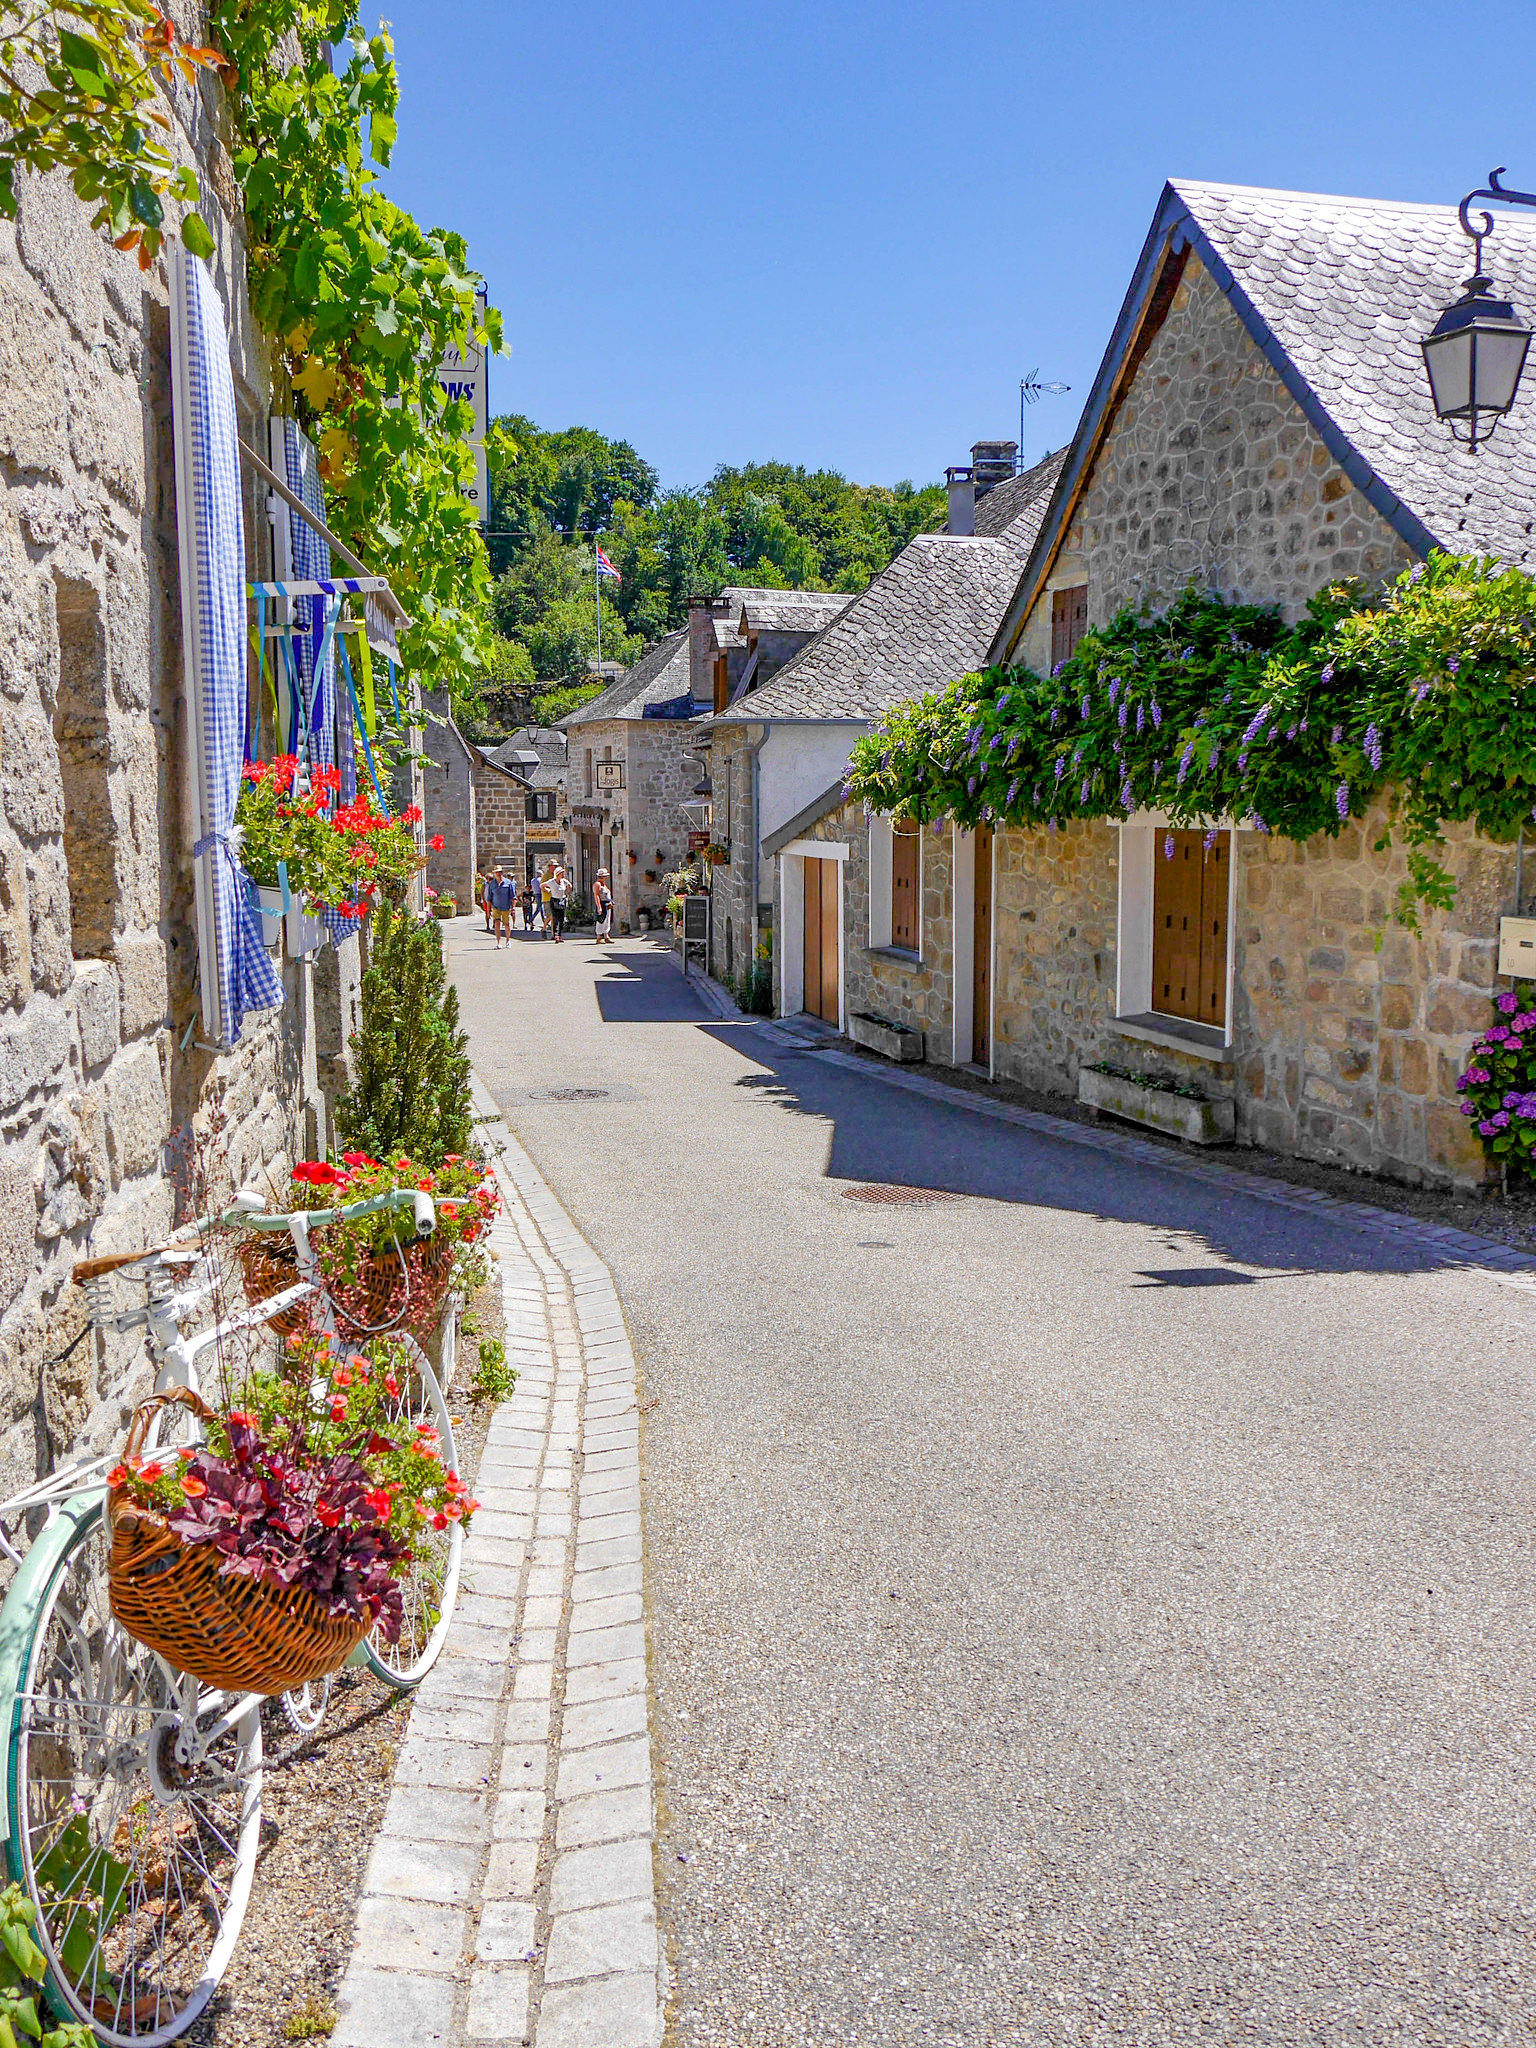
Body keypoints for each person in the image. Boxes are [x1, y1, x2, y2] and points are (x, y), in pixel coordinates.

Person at [487, 864, 516, 946]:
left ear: (502, 872)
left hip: (506, 907)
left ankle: (507, 940)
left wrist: (513, 908)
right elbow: (489, 898)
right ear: (494, 874)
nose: (498, 874)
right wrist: (488, 911)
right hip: (495, 907)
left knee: (506, 924)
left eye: (499, 872)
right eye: (496, 872)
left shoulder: (508, 883)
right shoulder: (492, 884)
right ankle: (498, 942)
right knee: (497, 924)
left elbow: (513, 897)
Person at [548, 864, 569, 942]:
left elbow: (569, 885)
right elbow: (542, 885)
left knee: (562, 919)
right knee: (555, 918)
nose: (563, 875)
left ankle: (559, 935)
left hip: (562, 900)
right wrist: (548, 890)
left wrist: (566, 894)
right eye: (561, 873)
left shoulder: (564, 881)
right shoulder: (552, 881)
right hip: (554, 900)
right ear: (557, 874)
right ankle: (555, 935)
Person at [593, 868, 613, 943]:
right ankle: (599, 936)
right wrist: (599, 907)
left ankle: (606, 935)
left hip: (607, 904)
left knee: (607, 920)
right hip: (602, 903)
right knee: (601, 920)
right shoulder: (597, 884)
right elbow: (597, 895)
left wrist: (610, 902)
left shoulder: (603, 884)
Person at [540, 862, 555, 938]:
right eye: (553, 866)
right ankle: (545, 929)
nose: (555, 867)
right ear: (549, 867)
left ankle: (552, 933)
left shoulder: (555, 875)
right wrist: (549, 889)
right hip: (547, 898)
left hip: (555, 898)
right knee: (550, 916)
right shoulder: (546, 876)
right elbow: (542, 886)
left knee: (553, 917)